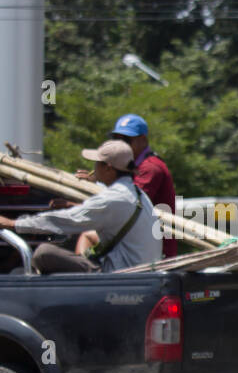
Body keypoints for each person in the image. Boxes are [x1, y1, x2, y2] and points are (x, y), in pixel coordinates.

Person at [0, 140, 160, 273]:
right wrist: (73, 205)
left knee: (43, 253)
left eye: (97, 163)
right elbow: (100, 210)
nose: (94, 167)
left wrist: (13, 223)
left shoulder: (113, 198)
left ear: (108, 168)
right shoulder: (136, 193)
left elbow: (65, 221)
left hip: (120, 273)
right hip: (138, 269)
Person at [77, 113, 177, 258]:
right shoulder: (132, 165)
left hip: (156, 249)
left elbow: (127, 204)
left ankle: (83, 270)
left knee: (87, 236)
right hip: (138, 239)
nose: (120, 144)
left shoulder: (150, 168)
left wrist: (75, 203)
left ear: (143, 140)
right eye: (116, 139)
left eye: (126, 140)